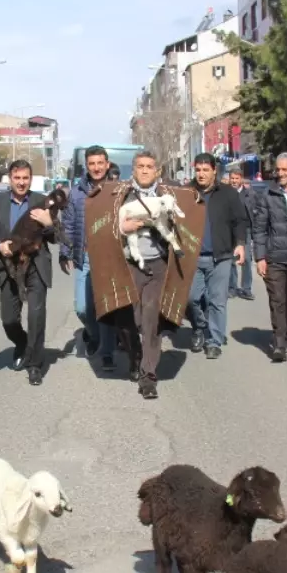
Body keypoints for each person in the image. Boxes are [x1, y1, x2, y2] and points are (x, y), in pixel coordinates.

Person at [0, 159, 56, 387]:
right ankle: (22, 342)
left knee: (36, 316)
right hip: (9, 266)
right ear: (10, 178)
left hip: (36, 265)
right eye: (17, 178)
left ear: (31, 178)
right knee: (8, 319)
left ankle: (34, 364)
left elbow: (55, 236)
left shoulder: (40, 201)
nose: (21, 182)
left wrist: (49, 223)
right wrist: (0, 245)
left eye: (25, 178)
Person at [114, 150, 172, 399]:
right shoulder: (121, 195)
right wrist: (122, 227)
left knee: (151, 319)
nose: (145, 170)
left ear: (157, 170)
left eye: (150, 166)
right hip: (129, 264)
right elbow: (107, 226)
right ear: (134, 170)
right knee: (130, 320)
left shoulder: (168, 194)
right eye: (140, 166)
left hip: (159, 263)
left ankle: (148, 376)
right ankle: (136, 354)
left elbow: (186, 223)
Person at [59, 145, 117, 371]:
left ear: (107, 163)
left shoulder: (118, 190)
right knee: (83, 308)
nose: (96, 168)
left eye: (100, 163)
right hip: (86, 257)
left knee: (108, 308)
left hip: (111, 258)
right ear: (87, 165)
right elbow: (69, 224)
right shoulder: (76, 192)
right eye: (91, 164)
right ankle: (93, 335)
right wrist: (65, 252)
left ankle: (108, 353)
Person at [186, 152, 248, 359]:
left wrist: (240, 244)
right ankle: (199, 327)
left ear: (214, 171)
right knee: (191, 298)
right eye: (198, 170)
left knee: (217, 301)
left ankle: (214, 341)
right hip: (193, 257)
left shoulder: (228, 193)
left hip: (220, 256)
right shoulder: (186, 192)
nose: (201, 174)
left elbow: (240, 220)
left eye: (206, 170)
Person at [252, 152, 287, 362]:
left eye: (285, 170)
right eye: (278, 169)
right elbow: (259, 229)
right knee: (277, 300)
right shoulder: (268, 195)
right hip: (274, 257)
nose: (280, 173)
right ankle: (279, 343)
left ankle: (286, 333)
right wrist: (260, 257)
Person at [226, 166, 255, 300]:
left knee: (247, 260)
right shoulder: (225, 193)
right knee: (232, 260)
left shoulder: (250, 194)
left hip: (246, 230)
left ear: (241, 179)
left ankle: (246, 288)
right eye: (232, 178)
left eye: (237, 178)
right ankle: (232, 288)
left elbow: (255, 212)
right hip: (230, 230)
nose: (234, 181)